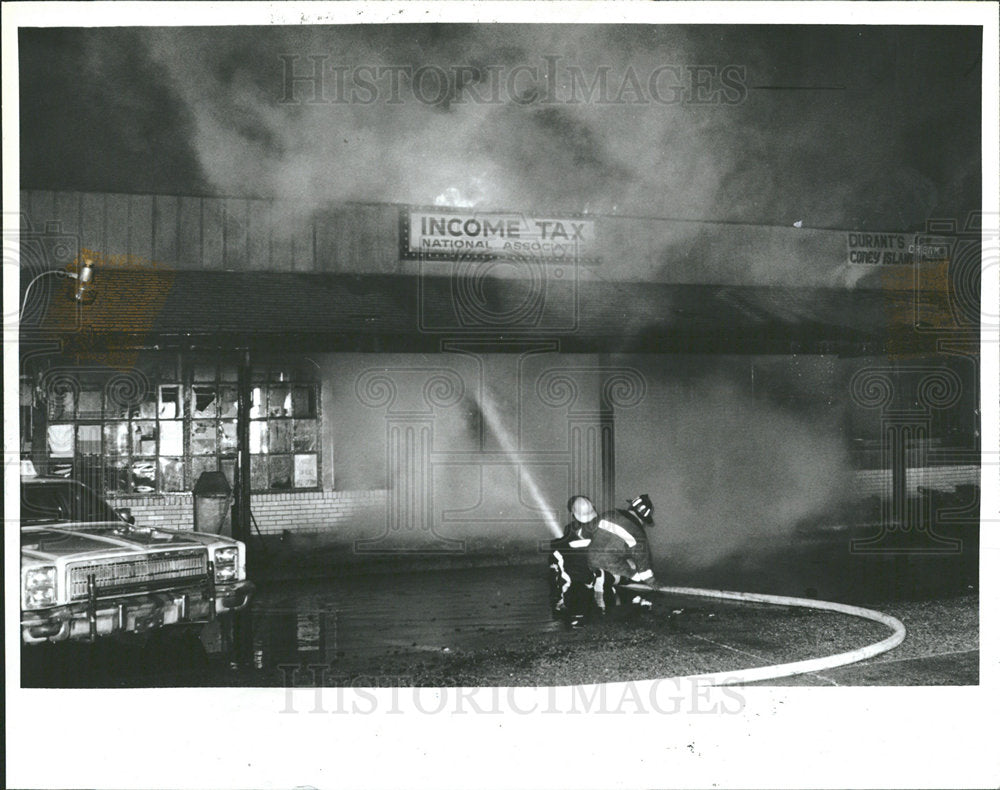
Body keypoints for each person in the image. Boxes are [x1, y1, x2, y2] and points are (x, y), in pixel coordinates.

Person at [585, 494, 658, 613]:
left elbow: (588, 530)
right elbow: (643, 566)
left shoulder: (608, 514)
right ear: (643, 518)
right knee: (635, 569)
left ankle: (593, 577)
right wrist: (653, 583)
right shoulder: (638, 533)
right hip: (609, 565)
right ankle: (608, 578)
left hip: (590, 561)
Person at [548, 495, 603, 625]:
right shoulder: (602, 525)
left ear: (573, 513)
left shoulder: (571, 529)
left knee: (555, 559)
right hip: (600, 573)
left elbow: (560, 547)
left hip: (583, 576)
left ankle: (560, 600)